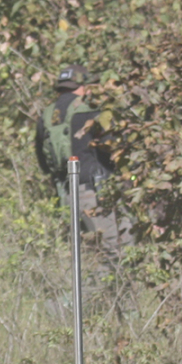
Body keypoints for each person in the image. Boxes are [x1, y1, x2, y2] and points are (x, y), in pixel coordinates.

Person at [34, 64, 131, 263]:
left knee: (88, 257)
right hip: (95, 193)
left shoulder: (47, 115)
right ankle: (118, 294)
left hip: (67, 195)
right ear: (83, 85)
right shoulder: (90, 110)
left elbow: (43, 162)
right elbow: (111, 149)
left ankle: (93, 294)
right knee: (120, 249)